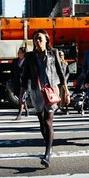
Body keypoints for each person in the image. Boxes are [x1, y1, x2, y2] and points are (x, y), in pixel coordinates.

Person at [19, 30, 70, 168]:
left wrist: (66, 91)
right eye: (35, 39)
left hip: (51, 90)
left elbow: (60, 72)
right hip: (36, 92)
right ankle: (48, 142)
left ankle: (47, 153)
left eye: (40, 38)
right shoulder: (30, 56)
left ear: (46, 40)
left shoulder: (53, 53)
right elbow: (25, 76)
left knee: (48, 121)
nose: (37, 41)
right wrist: (21, 94)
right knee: (41, 121)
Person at [9, 47, 29, 120]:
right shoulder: (15, 61)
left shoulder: (27, 61)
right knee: (20, 96)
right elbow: (12, 71)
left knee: (22, 97)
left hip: (25, 82)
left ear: (24, 53)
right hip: (17, 82)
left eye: (19, 52)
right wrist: (11, 80)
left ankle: (19, 114)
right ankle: (26, 109)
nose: (18, 53)